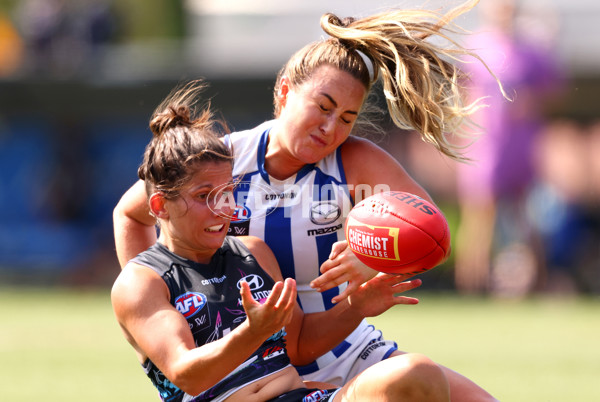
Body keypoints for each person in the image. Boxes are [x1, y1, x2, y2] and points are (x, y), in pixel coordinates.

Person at [114, 1, 499, 400]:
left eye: (347, 118)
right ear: (284, 92)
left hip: (340, 343)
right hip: (244, 357)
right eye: (323, 107)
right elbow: (130, 214)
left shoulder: (355, 161)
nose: (331, 128)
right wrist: (162, 312)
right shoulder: (222, 164)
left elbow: (434, 236)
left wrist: (372, 256)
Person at [111, 81, 451, 402]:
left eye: (228, 193)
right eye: (204, 196)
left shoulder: (252, 252)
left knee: (418, 375)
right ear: (160, 206)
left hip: (301, 395)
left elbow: (300, 346)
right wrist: (253, 331)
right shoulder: (140, 283)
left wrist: (357, 306)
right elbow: (187, 374)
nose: (224, 208)